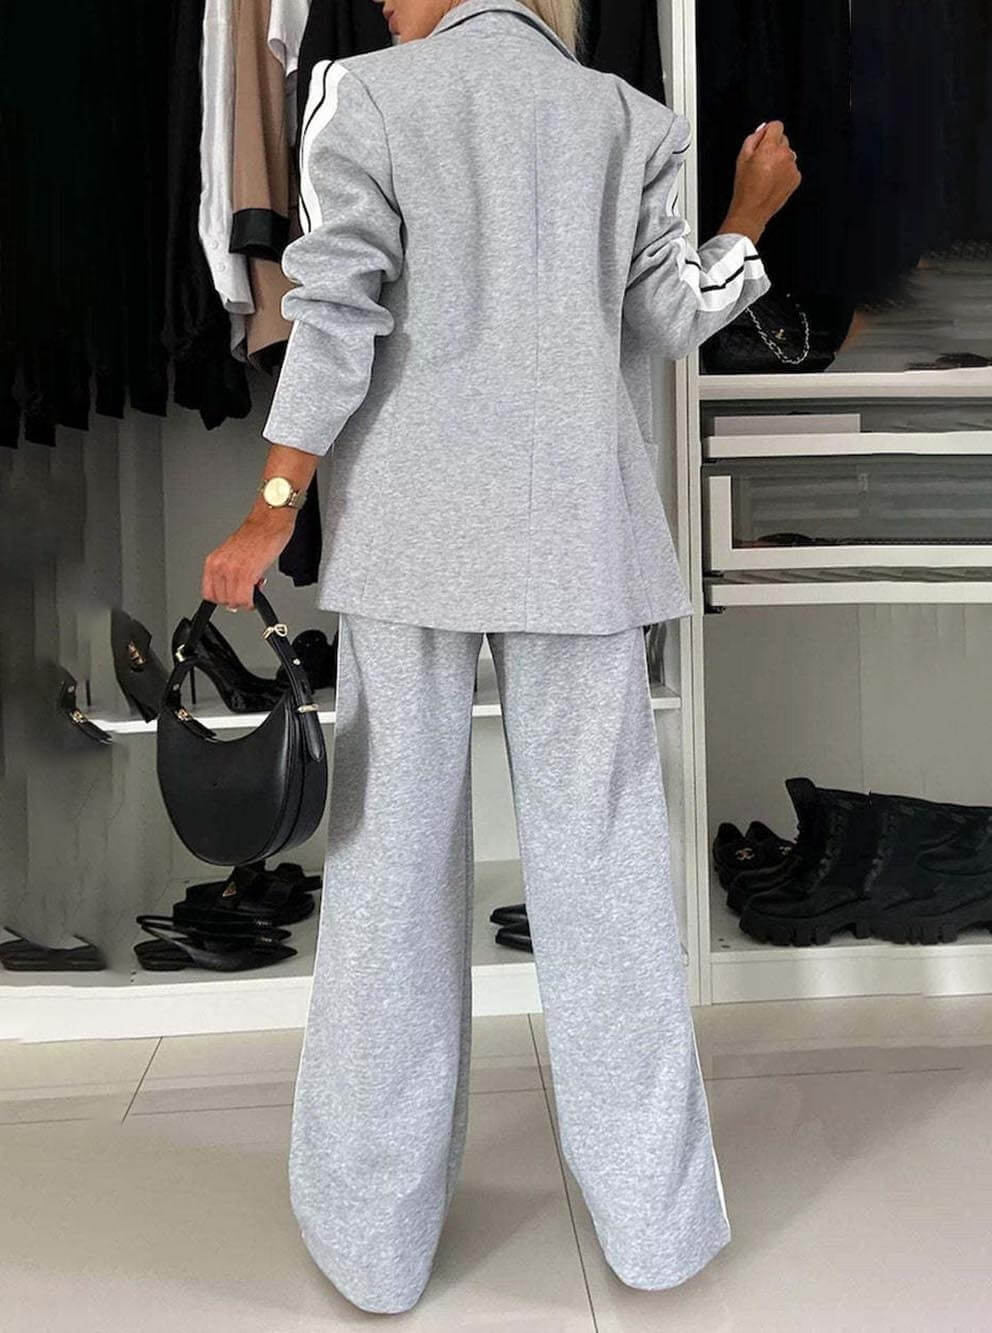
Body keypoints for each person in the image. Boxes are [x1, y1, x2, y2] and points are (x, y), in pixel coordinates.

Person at [202, 0, 800, 1314]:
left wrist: (275, 503)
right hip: (579, 539)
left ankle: (374, 1243)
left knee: (391, 883)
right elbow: (666, 322)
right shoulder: (631, 120)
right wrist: (748, 220)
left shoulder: (368, 95)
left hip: (410, 544)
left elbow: (336, 312)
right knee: (610, 885)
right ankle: (653, 1231)